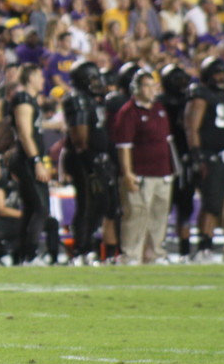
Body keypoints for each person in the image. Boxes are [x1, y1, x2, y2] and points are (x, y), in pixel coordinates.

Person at [114, 70, 172, 265]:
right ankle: (131, 255)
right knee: (136, 215)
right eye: (146, 85)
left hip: (162, 172)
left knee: (158, 216)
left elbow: (166, 141)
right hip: (141, 173)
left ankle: (155, 254)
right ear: (136, 89)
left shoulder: (159, 109)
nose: (151, 90)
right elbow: (124, 146)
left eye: (153, 85)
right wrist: (128, 173)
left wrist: (170, 168)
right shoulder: (129, 112)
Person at [62, 61, 112, 265]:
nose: (96, 82)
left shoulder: (94, 100)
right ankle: (81, 250)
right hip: (83, 158)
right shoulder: (77, 99)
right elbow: (79, 138)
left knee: (100, 204)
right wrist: (89, 162)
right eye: (92, 78)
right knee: (86, 204)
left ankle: (87, 245)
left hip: (96, 157)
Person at [184, 56, 224, 263]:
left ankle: (208, 244)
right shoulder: (200, 95)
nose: (221, 77)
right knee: (210, 204)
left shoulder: (220, 96)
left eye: (223, 73)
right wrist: (197, 156)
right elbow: (191, 127)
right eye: (217, 73)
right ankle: (204, 247)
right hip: (208, 157)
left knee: (216, 204)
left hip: (222, 159)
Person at [10, 63, 51, 265]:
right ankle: (31, 255)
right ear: (31, 77)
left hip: (28, 159)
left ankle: (22, 255)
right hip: (27, 159)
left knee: (30, 209)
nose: (43, 80)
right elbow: (25, 133)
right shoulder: (23, 98)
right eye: (40, 76)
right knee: (41, 208)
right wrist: (37, 161)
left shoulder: (30, 100)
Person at [158, 64, 194, 261]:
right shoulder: (160, 102)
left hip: (185, 158)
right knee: (163, 207)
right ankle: (158, 246)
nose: (181, 84)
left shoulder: (190, 100)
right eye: (177, 80)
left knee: (185, 207)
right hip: (164, 158)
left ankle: (185, 249)